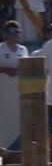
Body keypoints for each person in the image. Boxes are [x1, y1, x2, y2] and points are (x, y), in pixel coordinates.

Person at [0, 20, 27, 151]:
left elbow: (27, 67)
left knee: (17, 121)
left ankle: (15, 150)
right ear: (5, 34)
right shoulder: (0, 49)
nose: (14, 35)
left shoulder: (23, 50)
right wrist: (5, 69)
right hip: (3, 91)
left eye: (16, 32)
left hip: (18, 92)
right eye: (10, 32)